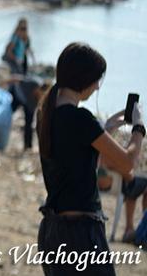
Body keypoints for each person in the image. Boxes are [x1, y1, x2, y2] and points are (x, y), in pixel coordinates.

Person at [36, 42, 145, 275]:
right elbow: (128, 163)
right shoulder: (81, 119)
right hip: (81, 236)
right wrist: (139, 129)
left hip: (52, 232)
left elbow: (73, 160)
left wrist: (103, 130)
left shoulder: (45, 113)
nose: (97, 88)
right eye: (97, 80)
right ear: (84, 79)